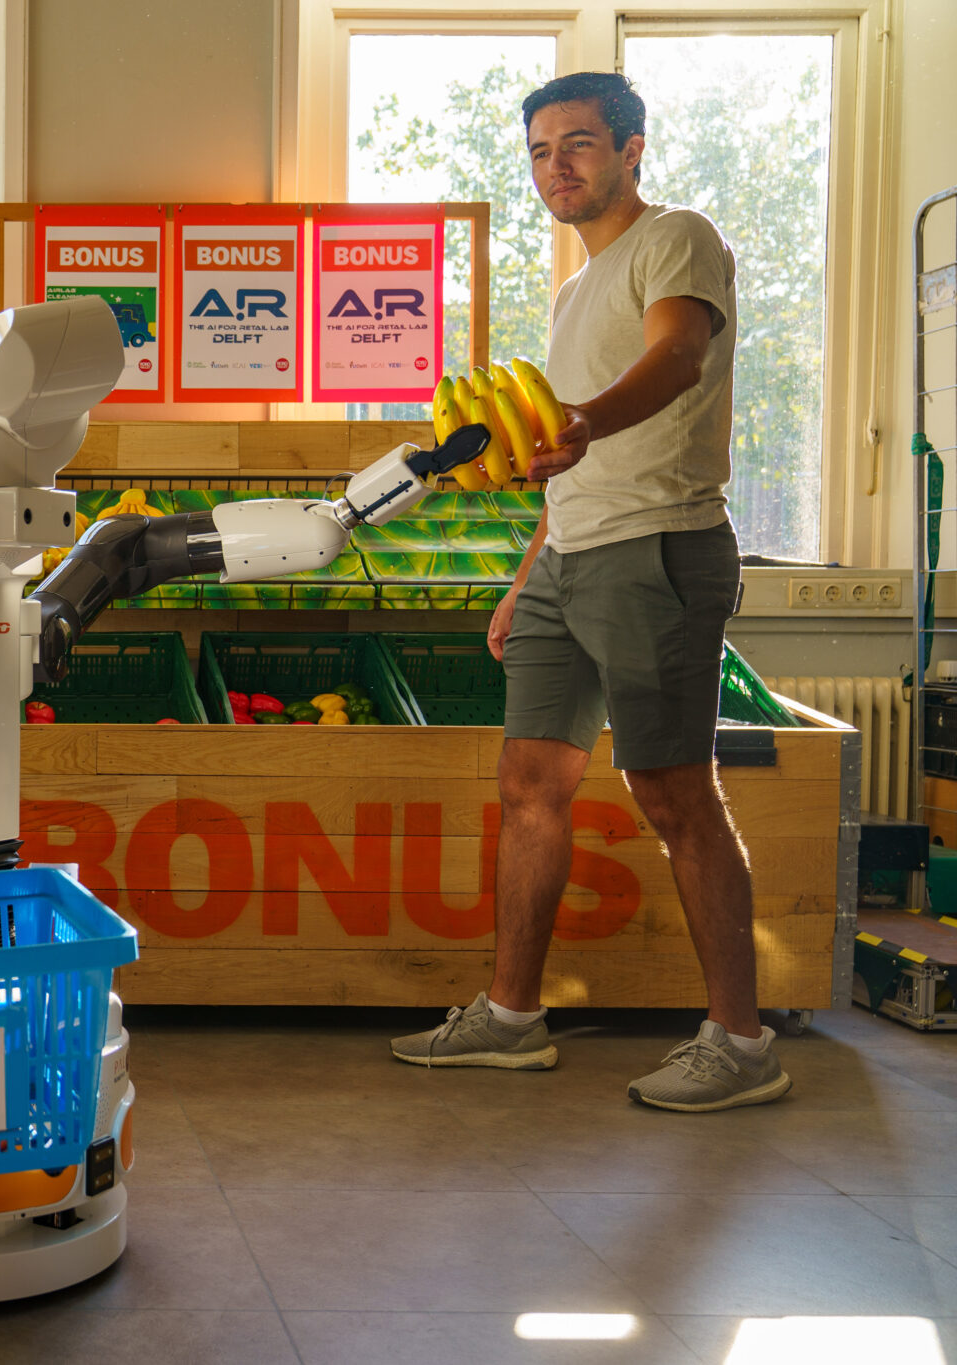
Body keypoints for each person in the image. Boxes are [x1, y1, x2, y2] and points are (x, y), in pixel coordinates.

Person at [389, 72, 790, 1112]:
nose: (552, 167)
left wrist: (583, 424)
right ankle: (511, 1017)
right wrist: (529, 577)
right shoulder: (572, 288)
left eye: (575, 144)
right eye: (535, 151)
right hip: (571, 560)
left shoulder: (674, 240)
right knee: (528, 782)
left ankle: (741, 1042)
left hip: (656, 549)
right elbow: (561, 463)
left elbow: (677, 355)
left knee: (671, 792)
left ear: (629, 150)